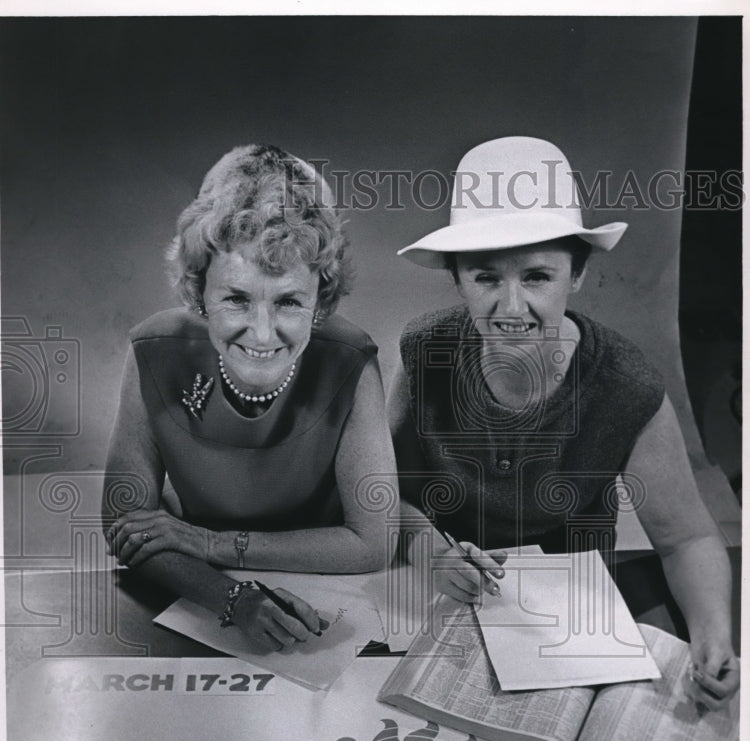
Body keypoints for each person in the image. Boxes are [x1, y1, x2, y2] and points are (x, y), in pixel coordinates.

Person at [388, 136, 738, 709]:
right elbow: (388, 495)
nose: (510, 306)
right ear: (456, 279)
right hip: (444, 597)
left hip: (569, 623)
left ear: (576, 276)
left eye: (536, 277)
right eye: (484, 277)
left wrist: (713, 634)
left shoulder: (625, 385)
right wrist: (431, 553)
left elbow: (687, 539)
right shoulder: (426, 348)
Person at [104, 143, 396, 653]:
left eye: (288, 301)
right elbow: (124, 526)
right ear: (199, 294)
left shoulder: (351, 361)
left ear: (321, 299)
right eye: (237, 298)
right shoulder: (153, 352)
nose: (262, 335)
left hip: (336, 598)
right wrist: (231, 598)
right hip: (198, 593)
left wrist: (211, 543)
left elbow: (374, 543)